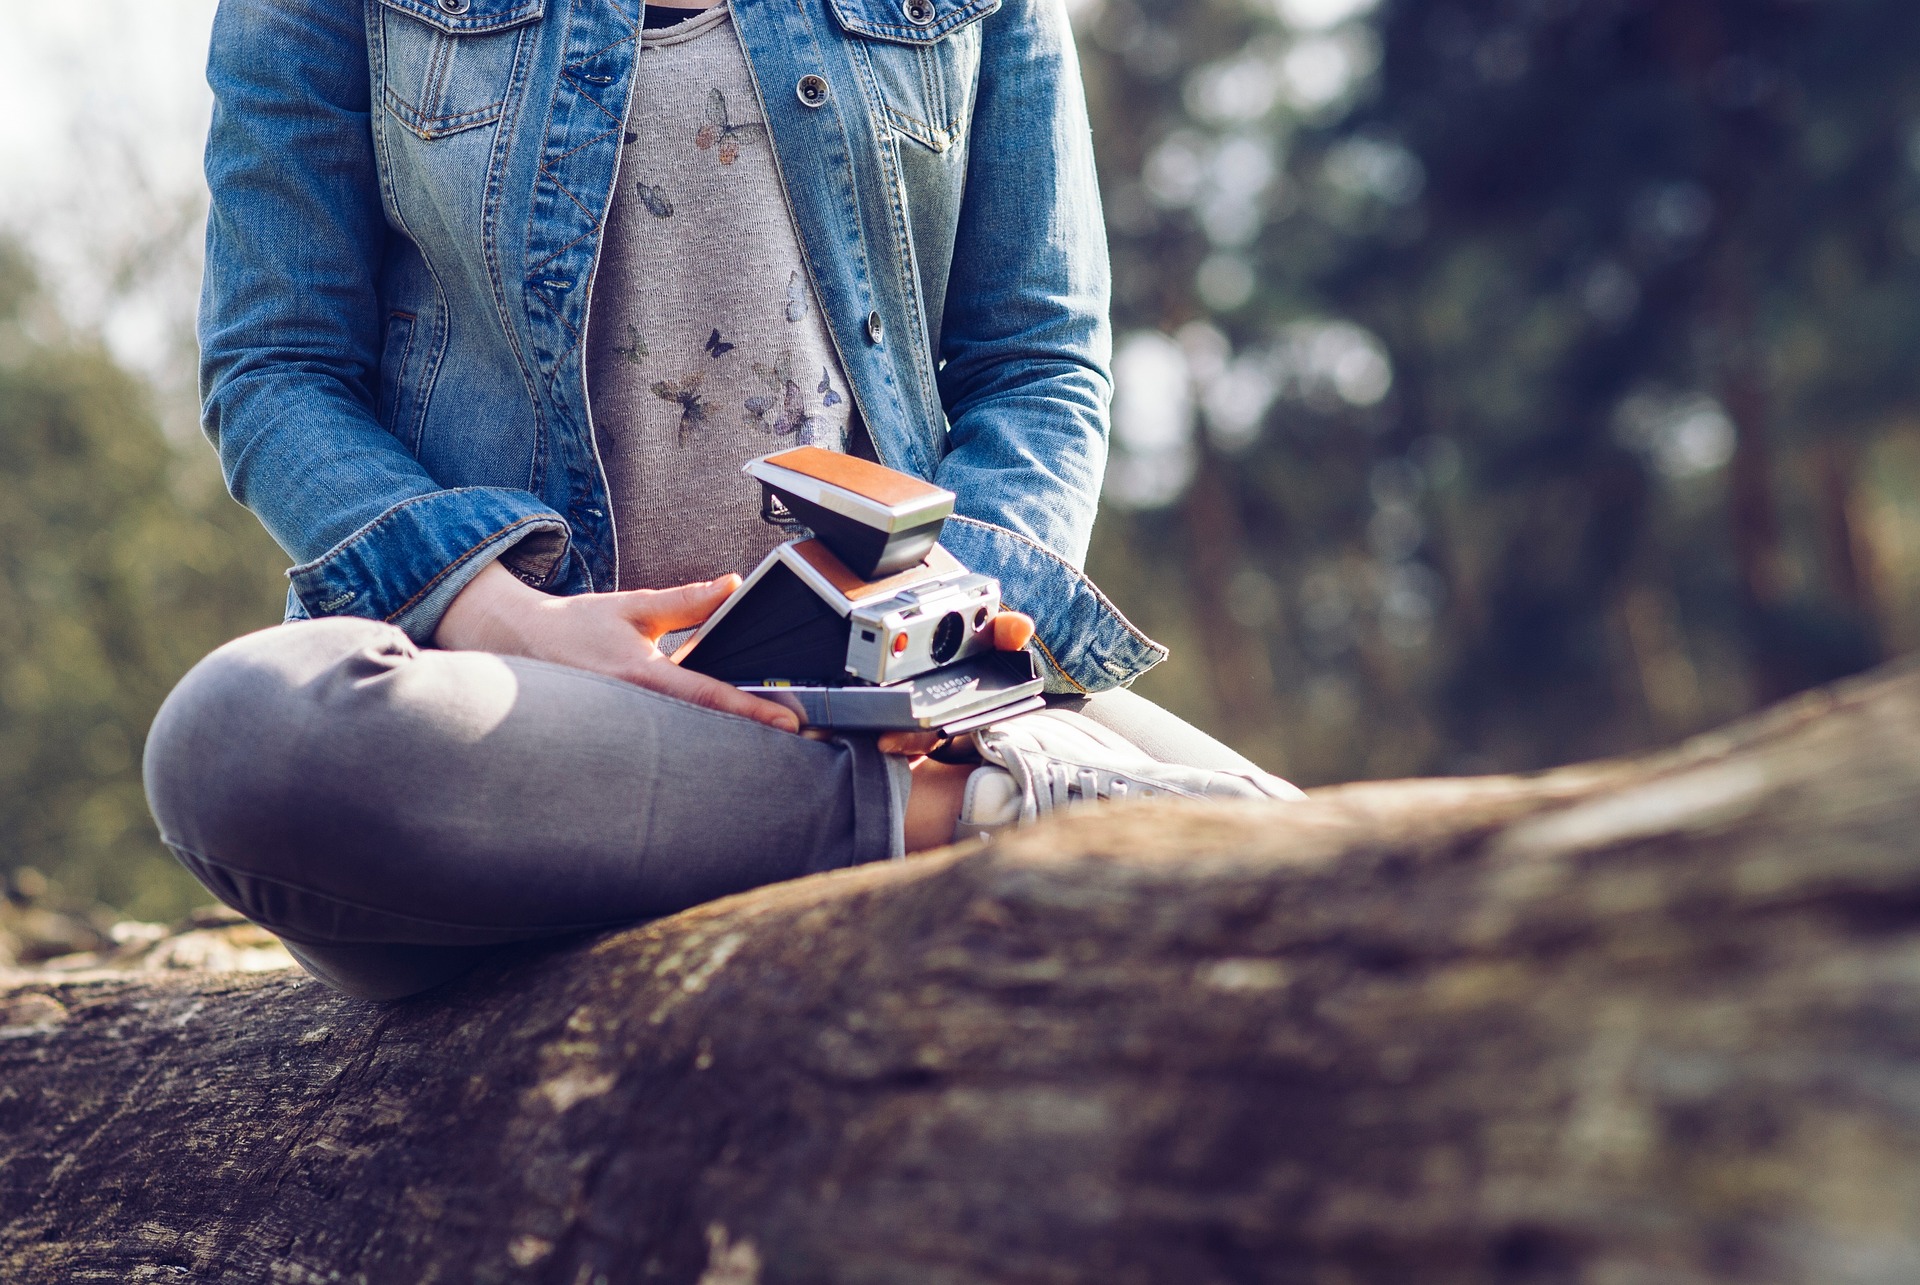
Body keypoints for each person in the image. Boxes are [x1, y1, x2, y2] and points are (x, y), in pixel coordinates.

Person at [142, 0, 1303, 1001]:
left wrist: (942, 621)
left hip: (895, 709)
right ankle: (994, 817)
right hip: (517, 742)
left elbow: (1037, 355)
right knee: (238, 740)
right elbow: (276, 364)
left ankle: (982, 802)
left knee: (1302, 881)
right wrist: (516, 622)